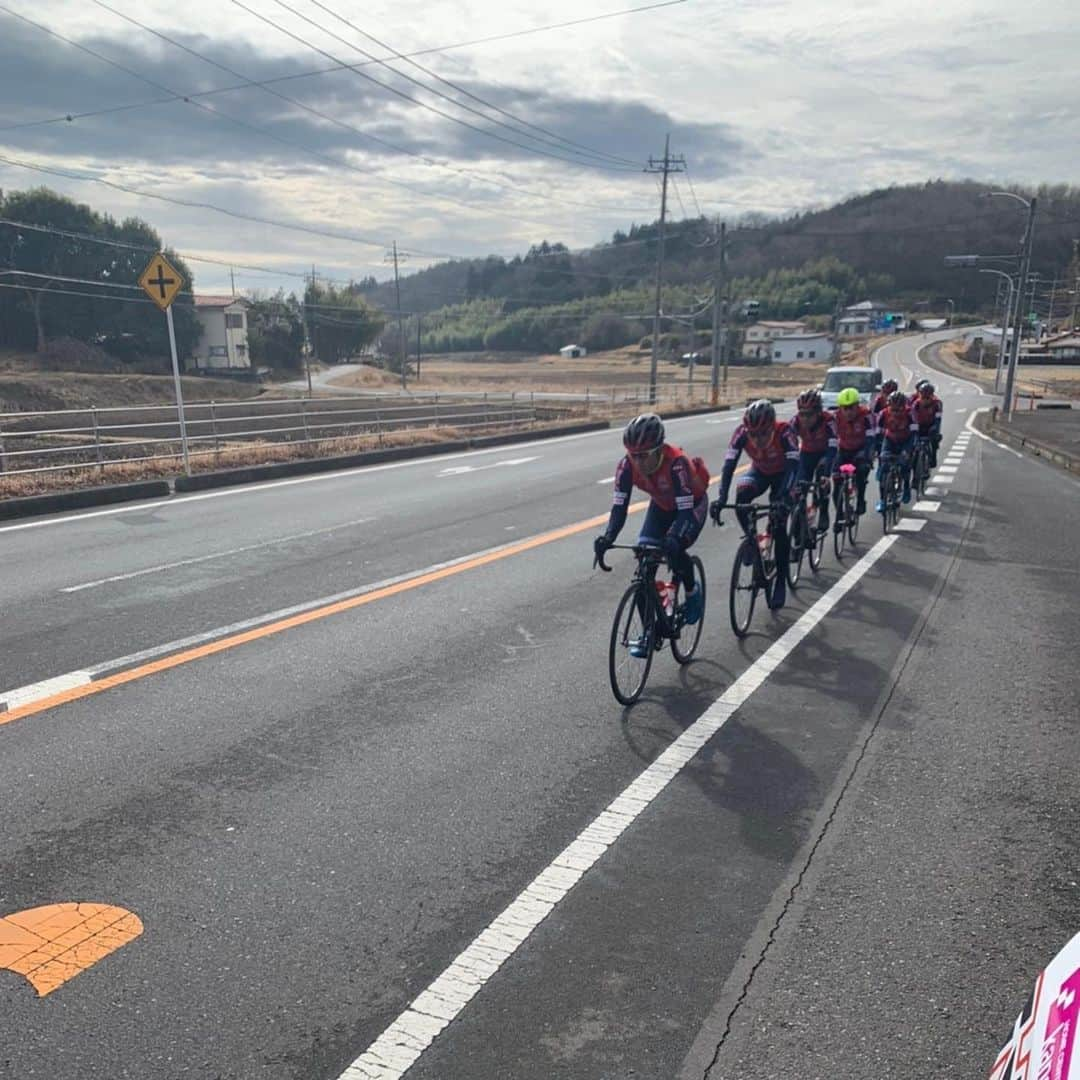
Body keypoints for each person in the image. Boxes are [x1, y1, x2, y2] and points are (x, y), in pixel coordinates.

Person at [594, 413, 709, 653]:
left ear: (658, 449)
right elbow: (619, 508)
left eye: (644, 455)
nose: (639, 462)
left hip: (690, 506)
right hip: (661, 507)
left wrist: (674, 538)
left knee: (676, 549)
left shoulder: (677, 463)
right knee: (644, 566)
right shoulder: (626, 466)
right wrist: (608, 537)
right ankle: (649, 631)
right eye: (634, 455)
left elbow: (685, 513)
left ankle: (691, 590)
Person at [710, 399, 799, 610]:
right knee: (741, 497)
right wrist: (722, 498)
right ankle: (752, 541)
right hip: (759, 471)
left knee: (778, 524)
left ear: (772, 427)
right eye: (753, 435)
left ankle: (780, 581)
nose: (758, 439)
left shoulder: (785, 432)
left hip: (784, 475)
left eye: (763, 434)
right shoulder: (741, 433)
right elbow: (728, 466)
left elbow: (795, 467)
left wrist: (785, 497)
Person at [789, 387, 837, 534]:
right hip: (807, 453)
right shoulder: (795, 422)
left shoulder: (829, 420)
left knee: (822, 476)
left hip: (825, 453)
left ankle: (823, 510)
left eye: (809, 415)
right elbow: (789, 446)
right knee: (797, 488)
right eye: (802, 414)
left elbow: (833, 447)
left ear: (818, 412)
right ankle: (800, 521)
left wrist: (827, 475)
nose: (805, 419)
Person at [832, 386, 876, 524]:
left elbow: (871, 438)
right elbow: (831, 439)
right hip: (843, 450)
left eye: (852, 407)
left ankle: (861, 499)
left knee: (862, 471)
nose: (848, 411)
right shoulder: (836, 417)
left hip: (861, 449)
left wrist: (867, 456)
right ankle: (840, 514)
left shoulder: (866, 414)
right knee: (836, 482)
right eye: (845, 408)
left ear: (858, 406)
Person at [876, 389, 918, 508]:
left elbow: (915, 431)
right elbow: (877, 432)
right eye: (893, 409)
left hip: (906, 440)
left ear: (903, 407)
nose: (895, 413)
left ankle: (906, 488)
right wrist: (877, 448)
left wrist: (911, 448)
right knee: (884, 467)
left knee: (905, 464)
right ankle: (882, 500)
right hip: (890, 440)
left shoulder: (910, 413)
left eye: (899, 409)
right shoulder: (884, 413)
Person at [910, 380, 943, 468]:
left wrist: (935, 429)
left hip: (931, 424)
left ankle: (933, 456)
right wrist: (914, 431)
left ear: (932, 395)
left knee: (934, 438)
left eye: (928, 398)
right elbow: (913, 418)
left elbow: (938, 419)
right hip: (919, 424)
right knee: (913, 442)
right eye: (923, 397)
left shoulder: (937, 403)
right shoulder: (915, 403)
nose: (925, 400)